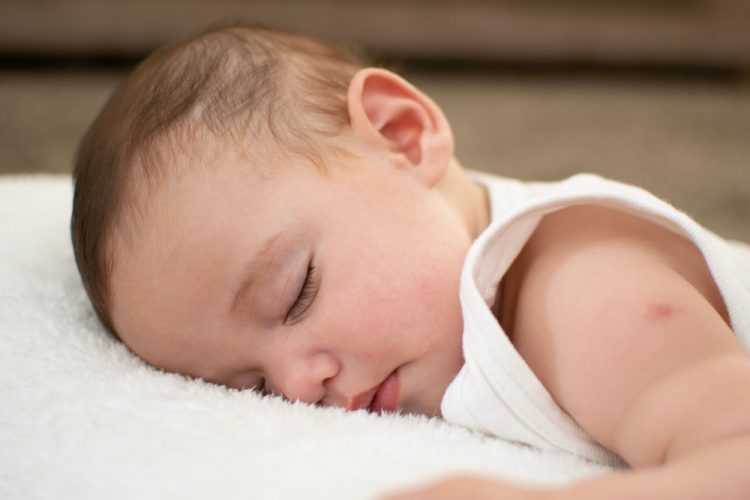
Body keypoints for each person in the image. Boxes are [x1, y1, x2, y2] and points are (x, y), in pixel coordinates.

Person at [71, 24, 750, 499]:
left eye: (296, 293)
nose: (302, 387)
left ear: (402, 136)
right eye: (253, 387)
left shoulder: (585, 284)